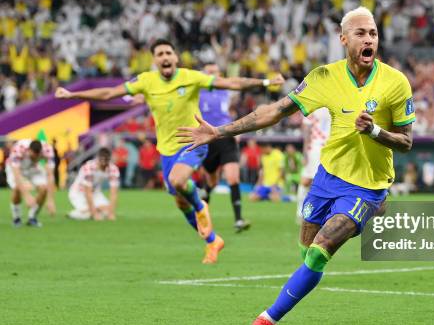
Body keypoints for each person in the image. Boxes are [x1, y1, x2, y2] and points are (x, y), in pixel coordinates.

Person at [177, 6, 415, 325]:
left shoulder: (395, 82)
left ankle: (266, 320)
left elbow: (406, 141)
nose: (369, 39)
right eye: (360, 33)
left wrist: (376, 133)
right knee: (306, 252)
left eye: (373, 33)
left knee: (319, 253)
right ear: (343, 39)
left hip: (368, 186)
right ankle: (353, 227)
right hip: (328, 177)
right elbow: (274, 112)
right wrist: (220, 131)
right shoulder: (324, 78)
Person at [55, 38, 283, 264]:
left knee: (178, 181)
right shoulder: (146, 81)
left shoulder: (190, 77)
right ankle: (212, 241)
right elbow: (108, 94)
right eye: (159, 54)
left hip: (193, 141)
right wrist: (74, 95)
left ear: (175, 57)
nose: (164, 57)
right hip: (166, 150)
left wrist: (264, 83)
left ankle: (200, 204)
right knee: (179, 202)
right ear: (154, 60)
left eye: (167, 53)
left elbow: (231, 83)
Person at [198, 63, 250, 232]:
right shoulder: (197, 91)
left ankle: (239, 219)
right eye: (209, 72)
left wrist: (236, 128)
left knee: (232, 178)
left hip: (226, 136)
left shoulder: (226, 90)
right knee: (211, 182)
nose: (213, 74)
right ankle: (202, 216)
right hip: (207, 138)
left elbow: (230, 110)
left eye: (215, 71)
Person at [7, 139, 56, 227]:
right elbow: (17, 175)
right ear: (29, 151)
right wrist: (27, 196)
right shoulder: (18, 149)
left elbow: (50, 175)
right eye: (33, 156)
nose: (36, 158)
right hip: (16, 168)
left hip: (33, 167)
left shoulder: (48, 150)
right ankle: (16, 218)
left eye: (37, 156)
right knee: (17, 188)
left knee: (43, 188)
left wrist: (50, 200)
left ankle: (32, 217)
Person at [297, 107, 331, 221]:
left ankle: (324, 212)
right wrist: (306, 151)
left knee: (328, 182)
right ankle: (300, 211)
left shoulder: (338, 99)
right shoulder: (314, 105)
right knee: (307, 180)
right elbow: (306, 127)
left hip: (332, 147)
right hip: (316, 147)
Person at [68, 148, 120, 220]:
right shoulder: (89, 167)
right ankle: (74, 214)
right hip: (78, 193)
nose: (104, 164)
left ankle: (94, 209)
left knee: (107, 211)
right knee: (88, 215)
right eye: (102, 161)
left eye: (106, 161)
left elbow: (113, 192)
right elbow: (87, 192)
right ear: (98, 158)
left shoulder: (113, 169)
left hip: (95, 193)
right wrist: (94, 213)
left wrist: (111, 213)